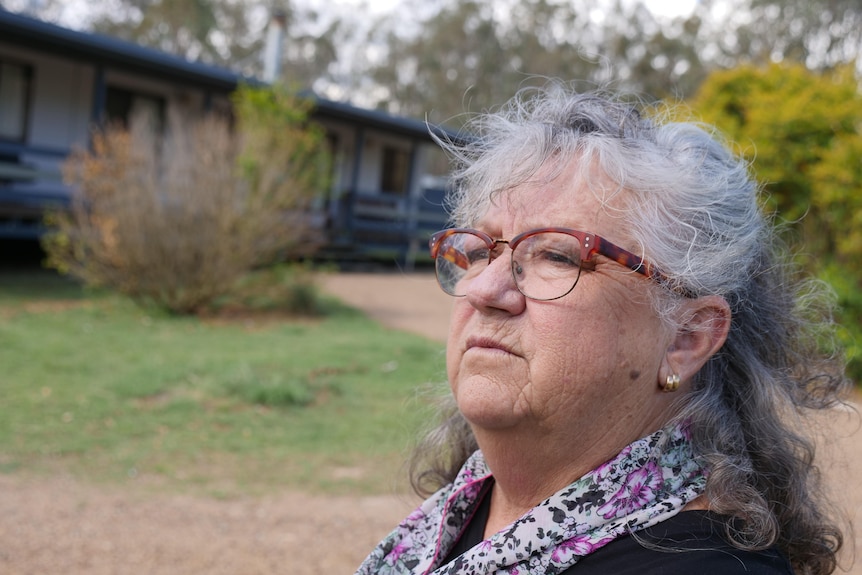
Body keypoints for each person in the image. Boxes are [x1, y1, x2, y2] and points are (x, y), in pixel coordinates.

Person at [355, 84, 849, 575]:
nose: (485, 289)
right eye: (482, 249)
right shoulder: (466, 506)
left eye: (555, 254)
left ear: (686, 338)